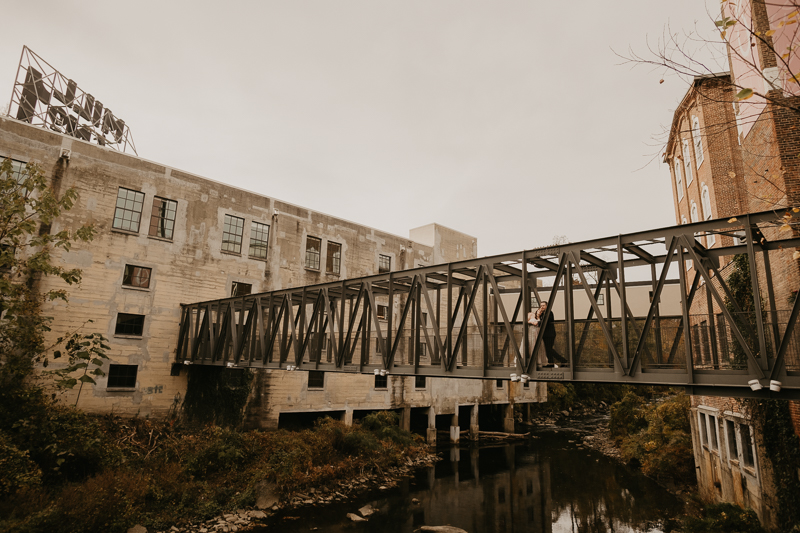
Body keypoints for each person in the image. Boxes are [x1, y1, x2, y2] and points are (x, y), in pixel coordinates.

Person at [532, 301, 568, 368]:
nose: (542, 307)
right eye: (541, 306)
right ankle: (551, 363)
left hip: (550, 334)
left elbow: (544, 322)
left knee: (549, 349)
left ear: (547, 306)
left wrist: (538, 322)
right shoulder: (542, 314)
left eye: (543, 305)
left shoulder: (549, 313)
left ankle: (563, 360)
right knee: (548, 349)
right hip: (545, 335)